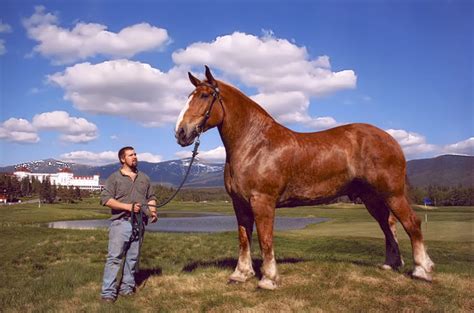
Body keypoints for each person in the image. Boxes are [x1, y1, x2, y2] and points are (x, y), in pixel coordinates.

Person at [100, 146, 157, 302]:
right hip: (121, 223)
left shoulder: (144, 178)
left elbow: (151, 197)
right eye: (131, 155)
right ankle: (108, 293)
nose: (135, 157)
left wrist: (153, 212)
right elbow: (106, 200)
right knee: (114, 259)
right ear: (122, 159)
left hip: (140, 224)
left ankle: (127, 289)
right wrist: (128, 207)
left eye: (135, 154)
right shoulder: (114, 178)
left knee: (132, 259)